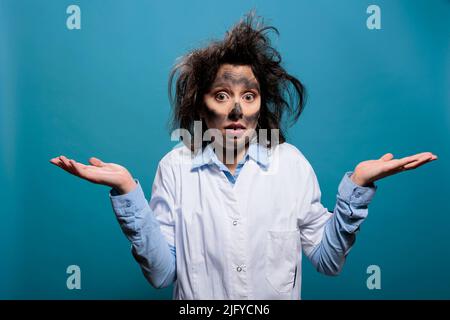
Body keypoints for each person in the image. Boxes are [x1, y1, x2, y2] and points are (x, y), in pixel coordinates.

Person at [50, 12, 437, 299]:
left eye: (248, 96)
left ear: (260, 106)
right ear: (200, 107)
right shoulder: (176, 168)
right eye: (222, 95)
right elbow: (162, 274)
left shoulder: (292, 164)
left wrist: (357, 187)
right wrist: (126, 192)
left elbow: (327, 260)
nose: (237, 109)